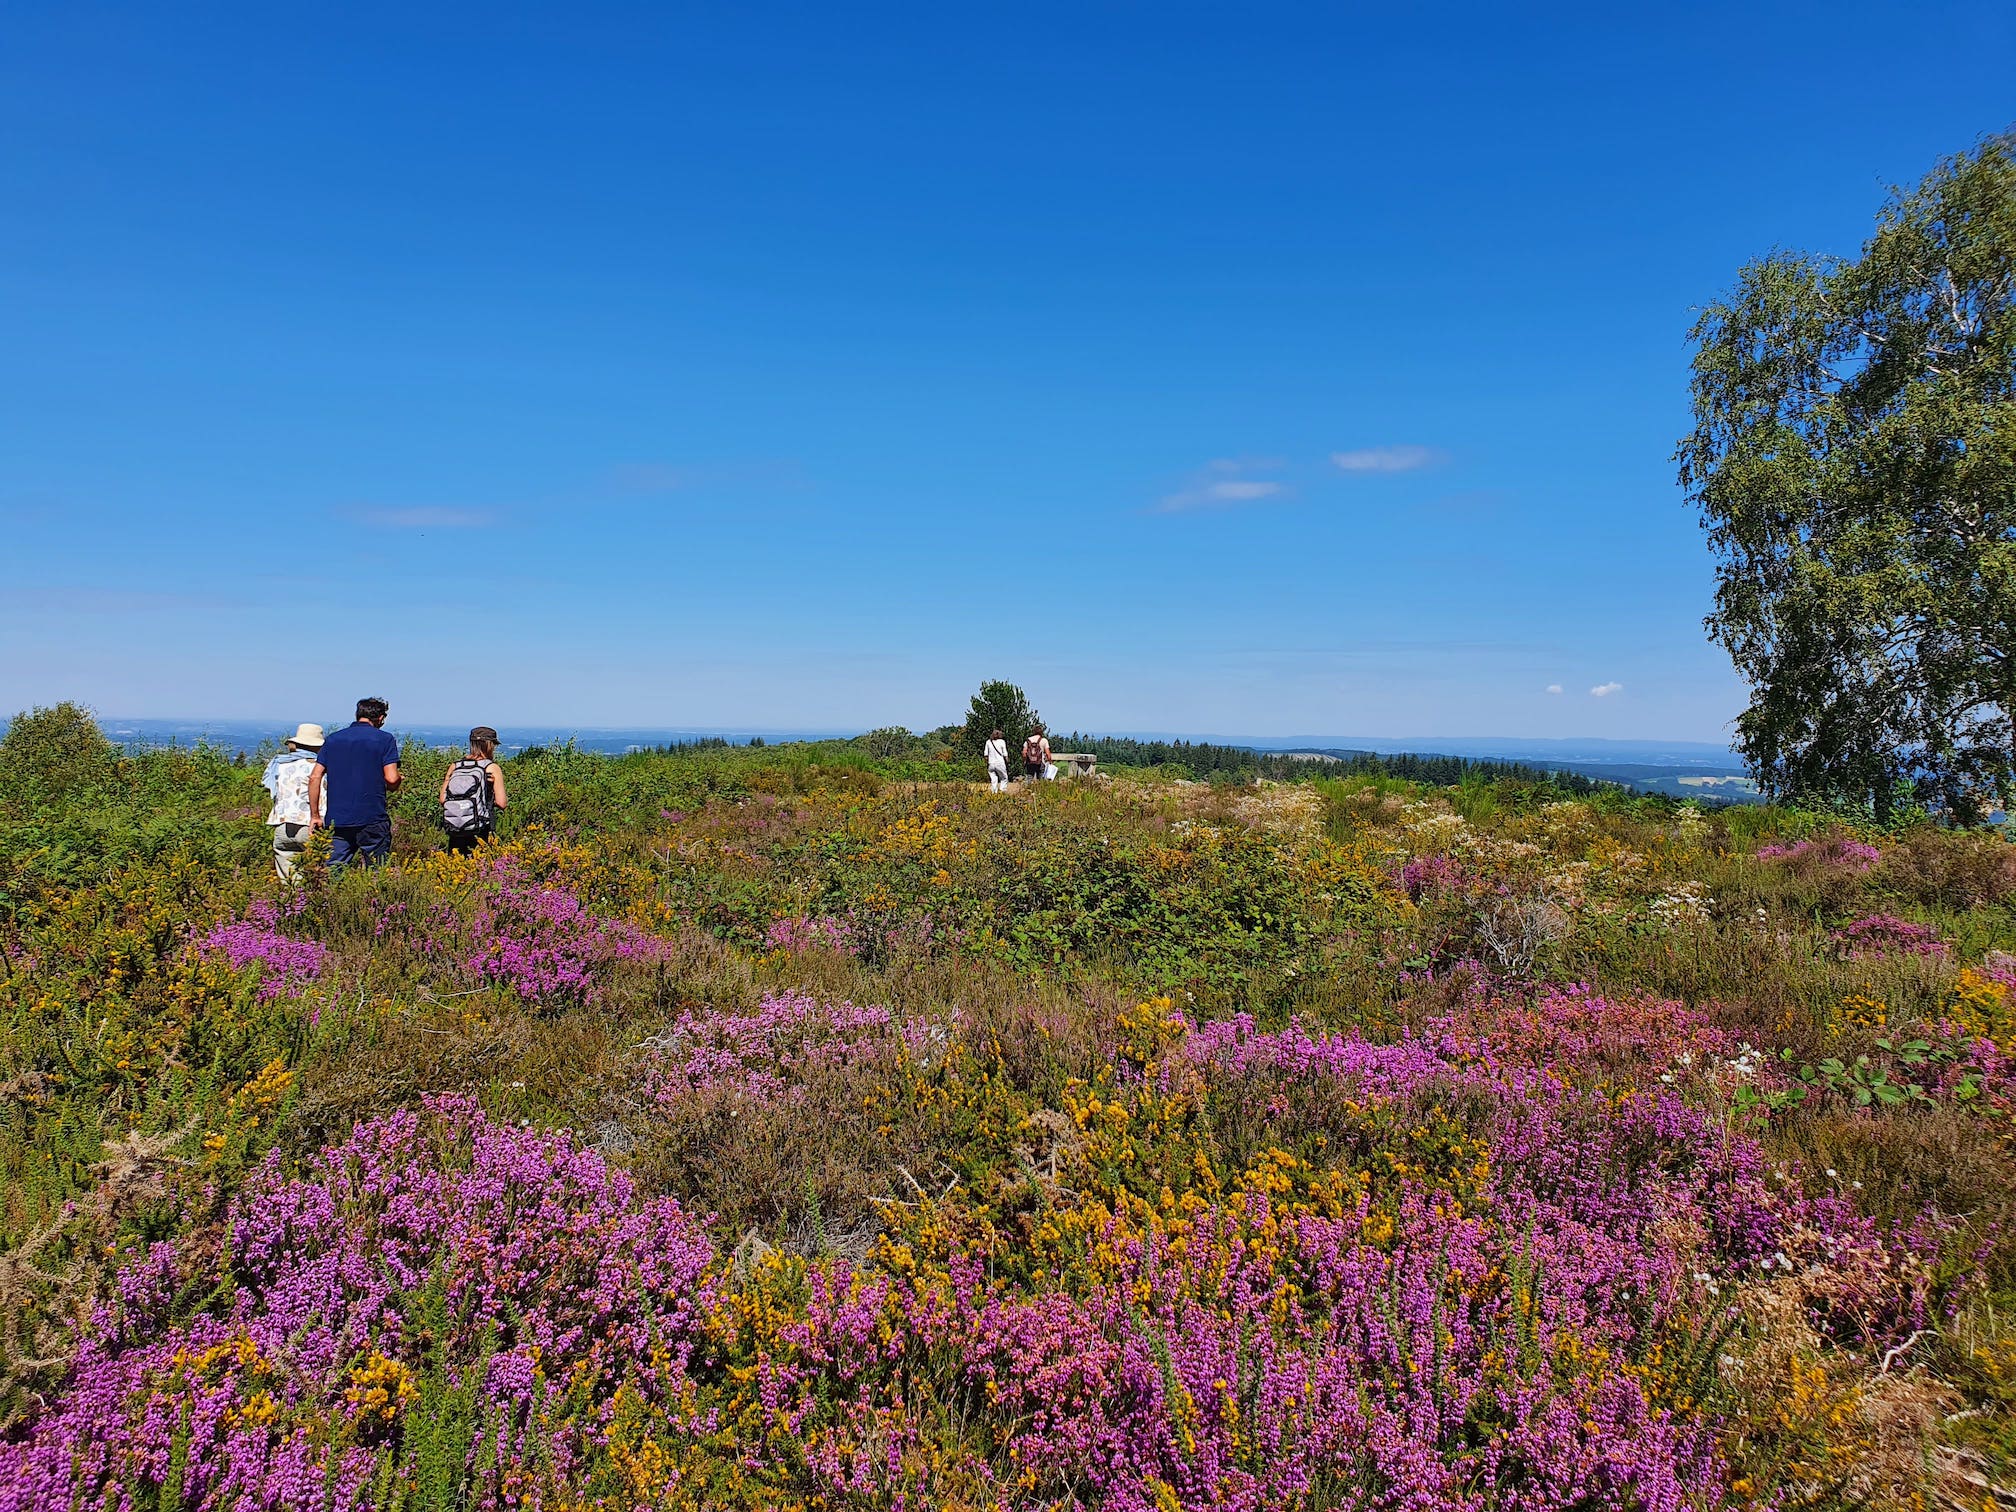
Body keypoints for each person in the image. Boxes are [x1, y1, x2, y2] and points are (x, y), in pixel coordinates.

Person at [308, 696, 402, 870]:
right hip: (372, 817)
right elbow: (391, 778)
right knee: (377, 872)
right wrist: (397, 782)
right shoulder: (385, 739)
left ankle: (330, 897)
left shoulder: (333, 739)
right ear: (380, 718)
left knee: (333, 871)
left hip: (338, 819)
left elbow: (315, 777)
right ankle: (373, 897)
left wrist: (315, 815)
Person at [259, 722, 324, 880]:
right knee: (317, 877)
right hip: (311, 826)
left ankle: (293, 904)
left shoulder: (280, 764)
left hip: (282, 827)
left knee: (290, 881)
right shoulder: (319, 768)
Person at [439, 725, 508, 853]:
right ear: (489, 745)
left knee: (455, 866)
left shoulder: (455, 766)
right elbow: (502, 803)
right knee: (481, 868)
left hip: (456, 828)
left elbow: (443, 799)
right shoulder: (492, 768)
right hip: (481, 829)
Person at [983, 727, 1009, 792]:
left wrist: (987, 763)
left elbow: (986, 754)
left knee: (993, 779)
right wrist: (1007, 761)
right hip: (1000, 763)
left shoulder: (988, 742)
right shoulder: (1002, 742)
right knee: (1004, 778)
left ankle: (994, 792)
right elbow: (1005, 753)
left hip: (991, 763)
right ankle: (1002, 791)